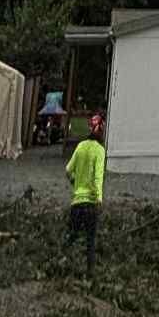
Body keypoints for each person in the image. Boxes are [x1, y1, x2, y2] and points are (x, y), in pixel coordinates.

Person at [63, 112, 106, 275]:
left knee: (71, 236)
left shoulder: (80, 146)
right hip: (90, 204)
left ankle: (61, 262)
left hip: (76, 202)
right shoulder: (99, 151)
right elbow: (98, 177)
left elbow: (68, 170)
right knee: (90, 241)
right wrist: (99, 198)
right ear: (101, 131)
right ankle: (90, 273)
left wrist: (75, 183)